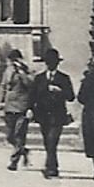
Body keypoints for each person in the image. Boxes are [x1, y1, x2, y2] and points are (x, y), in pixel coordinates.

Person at [26, 47, 75, 178]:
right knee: (47, 141)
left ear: (57, 63)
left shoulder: (64, 78)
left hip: (58, 115)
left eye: (53, 62)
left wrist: (60, 91)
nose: (51, 64)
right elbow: (32, 95)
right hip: (43, 115)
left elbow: (71, 96)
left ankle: (51, 168)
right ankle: (52, 166)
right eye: (49, 62)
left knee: (52, 140)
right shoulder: (39, 78)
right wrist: (30, 109)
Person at [0, 47, 34, 171]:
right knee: (9, 136)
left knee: (19, 134)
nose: (12, 62)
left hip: (21, 106)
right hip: (9, 106)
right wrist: (0, 101)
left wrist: (21, 72)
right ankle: (23, 150)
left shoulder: (25, 71)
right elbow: (3, 85)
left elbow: (30, 85)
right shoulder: (7, 71)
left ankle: (14, 161)